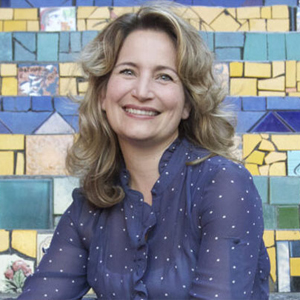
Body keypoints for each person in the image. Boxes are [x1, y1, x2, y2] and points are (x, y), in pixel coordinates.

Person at [18, 3, 270, 299]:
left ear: (188, 103)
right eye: (127, 71)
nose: (142, 91)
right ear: (102, 93)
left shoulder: (224, 183)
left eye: (164, 76)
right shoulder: (91, 203)